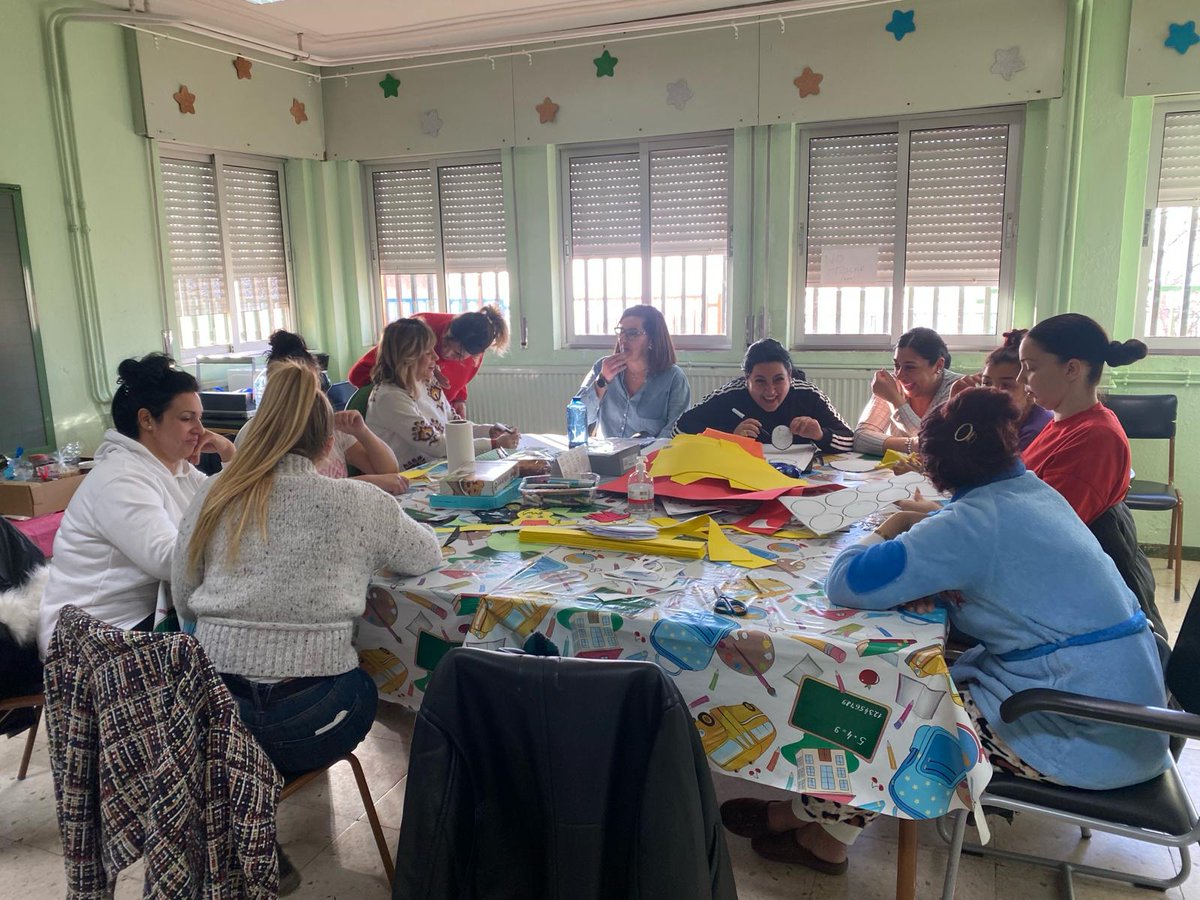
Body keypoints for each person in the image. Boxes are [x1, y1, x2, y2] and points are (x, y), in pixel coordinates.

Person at [720, 388, 1169, 872]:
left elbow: (844, 582)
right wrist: (933, 524)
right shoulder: (1034, 492)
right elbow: (992, 543)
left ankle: (813, 826)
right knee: (903, 686)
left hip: (1079, 732)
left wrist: (893, 522)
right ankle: (822, 823)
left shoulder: (969, 527)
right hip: (1127, 711)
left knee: (892, 705)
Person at [172, 361, 442, 893]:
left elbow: (184, 597)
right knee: (370, 686)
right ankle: (252, 801)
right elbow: (424, 553)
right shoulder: (356, 500)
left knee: (242, 729)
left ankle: (241, 806)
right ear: (327, 445)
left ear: (256, 429)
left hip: (208, 718)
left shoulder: (214, 492)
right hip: (310, 721)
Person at [37, 354, 235, 656]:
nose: (200, 428)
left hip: (148, 619)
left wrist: (230, 456)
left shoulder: (176, 469)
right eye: (186, 418)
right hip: (94, 635)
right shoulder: (120, 478)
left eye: (199, 417)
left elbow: (231, 510)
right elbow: (171, 561)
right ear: (146, 420)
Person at [240, 330, 409, 495]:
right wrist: (365, 482)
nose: (302, 397)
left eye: (309, 388)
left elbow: (388, 471)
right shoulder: (255, 432)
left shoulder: (331, 425)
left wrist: (362, 432)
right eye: (292, 388)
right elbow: (286, 496)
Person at [1019, 313, 1146, 525]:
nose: (1020, 378)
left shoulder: (1095, 439)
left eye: (1030, 368)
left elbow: (1048, 529)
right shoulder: (1064, 422)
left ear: (1071, 369)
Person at [365, 318, 520, 469]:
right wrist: (493, 444)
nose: (436, 357)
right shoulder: (390, 397)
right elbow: (436, 445)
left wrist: (490, 431)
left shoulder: (428, 382)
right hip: (407, 479)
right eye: (427, 352)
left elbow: (455, 425)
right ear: (408, 358)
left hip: (436, 469)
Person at [674, 339, 853, 453]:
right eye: (760, 381)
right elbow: (679, 430)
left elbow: (850, 439)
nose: (770, 391)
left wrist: (821, 435)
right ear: (747, 379)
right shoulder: (730, 396)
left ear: (790, 376)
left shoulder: (808, 395)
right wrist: (729, 436)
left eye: (778, 380)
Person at [347, 305, 509, 418]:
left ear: (476, 356)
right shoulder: (419, 329)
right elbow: (360, 373)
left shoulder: (473, 356)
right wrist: (405, 386)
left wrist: (459, 398)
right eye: (445, 341)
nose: (443, 354)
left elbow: (457, 382)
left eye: (457, 354)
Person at [577, 305, 691, 439]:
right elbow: (577, 419)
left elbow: (675, 431)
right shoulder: (602, 367)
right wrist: (602, 381)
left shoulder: (674, 378)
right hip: (606, 455)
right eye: (621, 332)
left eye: (632, 333)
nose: (623, 339)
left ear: (652, 340)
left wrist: (644, 456)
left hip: (650, 457)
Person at [853, 327, 961, 455]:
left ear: (938, 365)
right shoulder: (891, 384)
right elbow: (860, 439)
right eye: (897, 365)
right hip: (895, 472)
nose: (899, 375)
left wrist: (896, 401)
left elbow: (935, 444)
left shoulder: (957, 388)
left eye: (910, 367)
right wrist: (911, 446)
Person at [951, 329, 1051, 450]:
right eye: (987, 383)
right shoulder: (996, 419)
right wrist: (955, 405)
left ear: (1029, 390)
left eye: (1006, 385)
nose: (992, 391)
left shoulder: (1035, 431)